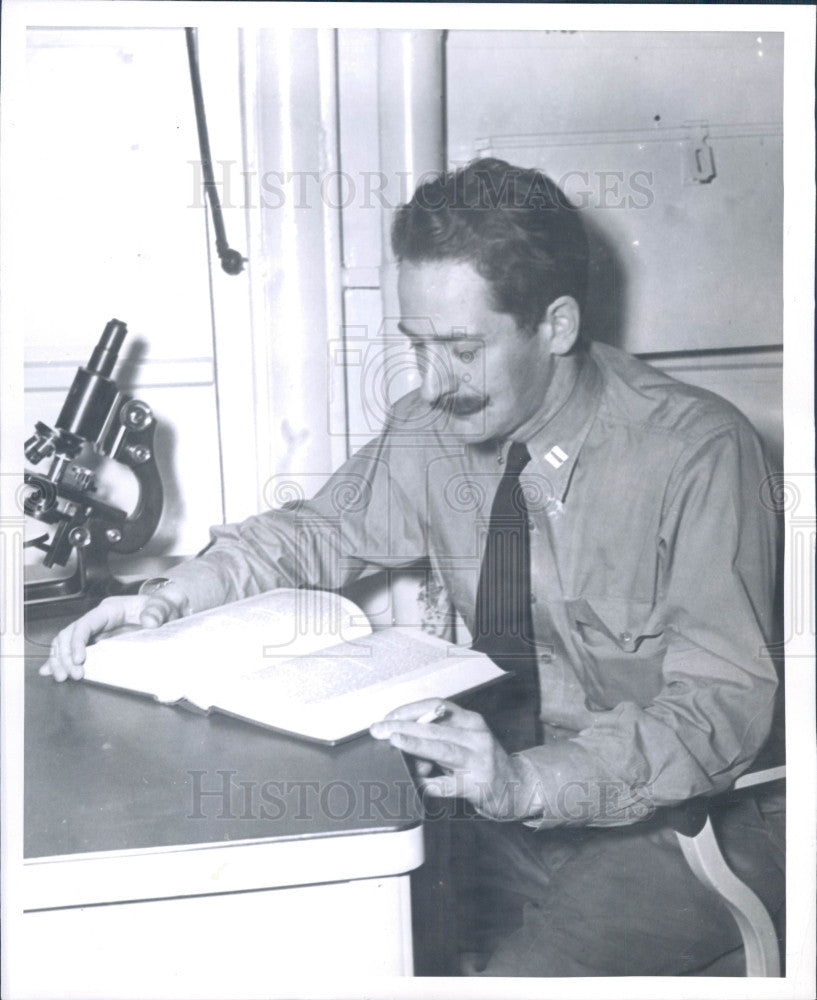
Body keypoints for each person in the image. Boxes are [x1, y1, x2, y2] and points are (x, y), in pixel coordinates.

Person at [43, 159, 784, 976]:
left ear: (558, 325)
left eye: (462, 349)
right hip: (498, 797)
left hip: (687, 825)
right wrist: (164, 600)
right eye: (417, 346)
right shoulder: (433, 429)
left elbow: (718, 711)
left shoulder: (696, 453)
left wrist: (526, 783)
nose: (432, 385)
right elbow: (315, 533)